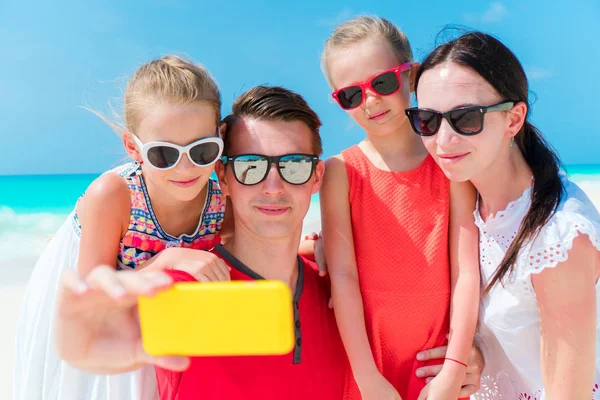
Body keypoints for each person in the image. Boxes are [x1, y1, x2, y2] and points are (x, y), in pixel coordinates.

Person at [52, 85, 486, 399]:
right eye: (252, 166)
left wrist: (470, 364)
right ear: (223, 177)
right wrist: (79, 342)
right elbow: (105, 351)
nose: (273, 186)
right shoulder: (183, 288)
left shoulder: (340, 299)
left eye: (293, 165)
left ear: (317, 177)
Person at [14, 55, 235, 400]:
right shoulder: (113, 194)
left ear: (220, 138)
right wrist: (166, 260)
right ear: (133, 147)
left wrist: (311, 246)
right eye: (164, 154)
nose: (186, 168)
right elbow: (94, 301)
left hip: (151, 305)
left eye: (203, 150)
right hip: (89, 293)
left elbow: (248, 249)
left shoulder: (223, 197)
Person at [408, 31, 600, 399]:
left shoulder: (556, 237)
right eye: (427, 120)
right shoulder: (466, 199)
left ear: (513, 120)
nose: (443, 140)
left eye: (465, 118)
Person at [320, 16, 480, 400]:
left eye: (383, 82)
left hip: (437, 362)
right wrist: (366, 377)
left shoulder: (447, 160)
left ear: (410, 77)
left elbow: (465, 272)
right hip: (367, 365)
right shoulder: (340, 172)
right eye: (351, 95)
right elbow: (343, 277)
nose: (370, 100)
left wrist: (455, 369)